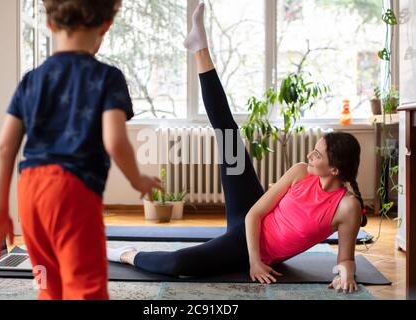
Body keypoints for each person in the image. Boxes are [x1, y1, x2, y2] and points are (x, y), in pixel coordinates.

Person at [108, 3, 367, 295]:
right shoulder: (300, 173)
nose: (309, 155)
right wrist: (255, 264)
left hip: (243, 245)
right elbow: (254, 214)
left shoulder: (348, 207)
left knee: (178, 264)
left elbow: (345, 258)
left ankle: (123, 254)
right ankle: (199, 47)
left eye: (317, 155)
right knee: (228, 133)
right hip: (249, 220)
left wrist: (345, 273)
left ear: (335, 169)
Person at [0, 0, 162, 300]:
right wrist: (139, 180)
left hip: (30, 193)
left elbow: (5, 147)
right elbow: (115, 141)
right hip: (73, 192)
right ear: (106, 25)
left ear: (49, 24)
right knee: (85, 288)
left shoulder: (31, 80)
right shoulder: (107, 77)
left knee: (48, 283)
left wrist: (1, 212)